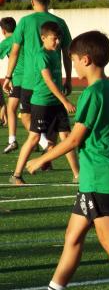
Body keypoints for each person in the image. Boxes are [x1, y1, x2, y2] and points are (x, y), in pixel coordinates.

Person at [14, 30, 109, 290]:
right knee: (73, 236)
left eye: (75, 60)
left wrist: (42, 159)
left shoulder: (93, 93)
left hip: (97, 176)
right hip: (104, 173)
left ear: (87, 59)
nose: (73, 66)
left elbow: (75, 139)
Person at [2, 0, 72, 154]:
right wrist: (68, 78)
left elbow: (14, 52)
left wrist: (8, 76)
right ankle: (48, 152)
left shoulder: (25, 22)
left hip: (30, 80)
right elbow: (67, 53)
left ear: (32, 1)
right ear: (48, 0)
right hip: (53, 80)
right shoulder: (60, 23)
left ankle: (45, 145)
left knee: (26, 115)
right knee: (54, 121)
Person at [9, 21, 79, 185]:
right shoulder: (41, 56)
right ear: (43, 38)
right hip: (42, 103)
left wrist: (67, 82)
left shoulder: (55, 53)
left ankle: (77, 175)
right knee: (34, 138)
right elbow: (48, 81)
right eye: (54, 39)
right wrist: (65, 101)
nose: (57, 42)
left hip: (56, 103)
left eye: (59, 38)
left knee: (66, 136)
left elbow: (57, 79)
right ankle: (17, 175)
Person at [1, 16, 23, 152]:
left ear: (3, 31)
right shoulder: (22, 38)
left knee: (12, 109)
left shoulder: (7, 42)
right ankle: (40, 140)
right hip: (34, 78)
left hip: (20, 79)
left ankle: (45, 143)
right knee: (28, 112)